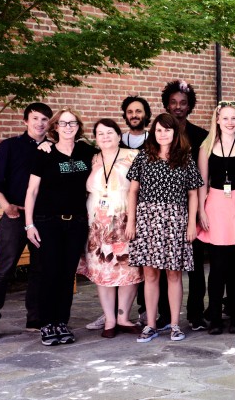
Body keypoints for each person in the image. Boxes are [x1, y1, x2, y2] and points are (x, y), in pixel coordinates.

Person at [125, 113, 204, 343]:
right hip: (148, 220)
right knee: (150, 274)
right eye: (158, 130)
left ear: (174, 132)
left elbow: (193, 193)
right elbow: (133, 192)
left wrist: (191, 224)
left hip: (175, 220)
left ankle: (174, 325)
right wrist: (131, 222)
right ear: (153, 132)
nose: (163, 134)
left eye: (167, 130)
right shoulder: (143, 157)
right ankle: (150, 324)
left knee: (174, 274)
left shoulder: (184, 158)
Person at [0, 103, 53, 343]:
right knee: (4, 269)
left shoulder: (51, 149)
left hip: (41, 218)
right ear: (25, 121)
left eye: (44, 119)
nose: (40, 123)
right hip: (15, 216)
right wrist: (6, 206)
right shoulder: (10, 146)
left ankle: (36, 318)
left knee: (40, 270)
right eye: (35, 118)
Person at [24, 107, 97, 346]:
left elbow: (110, 154)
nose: (68, 127)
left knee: (67, 275)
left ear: (78, 126)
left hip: (76, 222)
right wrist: (29, 225)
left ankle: (61, 322)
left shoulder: (87, 151)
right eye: (63, 123)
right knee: (50, 273)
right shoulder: (44, 153)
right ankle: (47, 323)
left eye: (72, 123)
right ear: (55, 127)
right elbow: (32, 191)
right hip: (48, 222)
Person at [77, 119, 143, 338]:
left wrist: (134, 220)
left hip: (125, 220)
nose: (105, 137)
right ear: (95, 138)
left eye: (109, 132)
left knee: (128, 270)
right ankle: (110, 320)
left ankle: (123, 317)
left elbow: (139, 190)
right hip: (96, 224)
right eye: (100, 134)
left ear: (118, 134)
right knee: (103, 271)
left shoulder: (133, 156)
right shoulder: (91, 158)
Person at [196, 102, 235, 335]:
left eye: (234, 118)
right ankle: (215, 316)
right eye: (226, 118)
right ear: (217, 120)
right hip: (217, 205)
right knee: (218, 266)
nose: (230, 122)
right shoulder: (207, 146)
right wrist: (201, 210)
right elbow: (202, 181)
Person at [161, 79, 209, 331]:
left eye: (183, 103)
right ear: (167, 105)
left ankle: (196, 313)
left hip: (191, 207)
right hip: (164, 211)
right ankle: (163, 314)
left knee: (196, 264)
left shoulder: (200, 136)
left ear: (189, 106)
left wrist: (201, 208)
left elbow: (204, 175)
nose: (178, 107)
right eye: (174, 103)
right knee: (163, 265)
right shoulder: (157, 135)